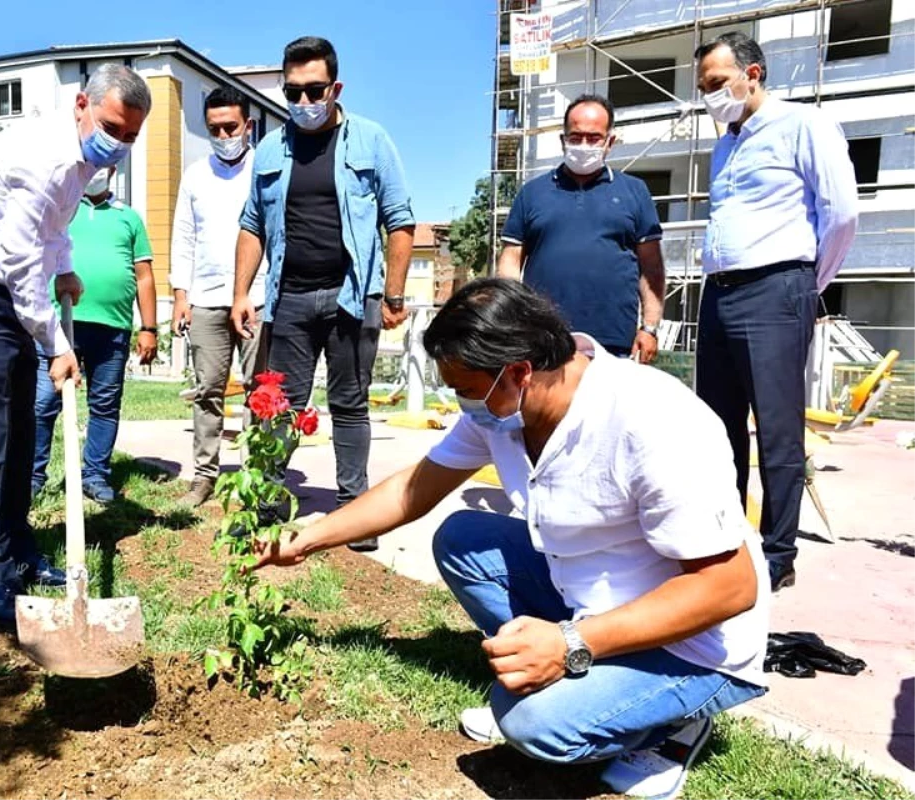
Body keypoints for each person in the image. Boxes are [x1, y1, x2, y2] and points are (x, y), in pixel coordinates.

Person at [256, 279, 769, 800]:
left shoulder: (652, 421)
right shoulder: (508, 410)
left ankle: (673, 728)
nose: (462, 403)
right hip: (594, 598)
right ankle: (581, 675)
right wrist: (309, 537)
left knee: (527, 723)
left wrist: (570, 644)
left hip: (696, 643)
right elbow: (414, 490)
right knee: (464, 540)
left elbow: (728, 589)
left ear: (520, 371)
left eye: (466, 388)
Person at [0, 64, 152, 631]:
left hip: (0, 298)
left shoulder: (79, 163)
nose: (117, 144)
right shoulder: (42, 158)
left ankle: (19, 550)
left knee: (20, 432)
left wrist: (66, 269)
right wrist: (56, 343)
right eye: (111, 127)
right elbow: (21, 262)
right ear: (81, 105)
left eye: (129, 137)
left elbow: (53, 231)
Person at [233, 36, 416, 551]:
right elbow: (252, 224)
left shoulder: (372, 140)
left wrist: (393, 294)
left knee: (350, 403)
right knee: (279, 406)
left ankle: (354, 511)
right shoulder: (270, 149)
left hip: (352, 296)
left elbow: (399, 220)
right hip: (288, 297)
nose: (305, 102)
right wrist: (240, 293)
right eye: (294, 92)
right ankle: (265, 507)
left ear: (335, 87)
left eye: (315, 90)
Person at [694, 32, 858, 592]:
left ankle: (777, 554)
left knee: (778, 428)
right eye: (703, 88)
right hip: (718, 291)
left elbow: (840, 214)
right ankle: (725, 540)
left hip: (777, 287)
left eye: (718, 83)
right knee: (717, 429)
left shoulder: (803, 126)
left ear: (753, 73)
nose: (711, 95)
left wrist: (808, 285)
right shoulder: (725, 145)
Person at [497, 94, 665, 362]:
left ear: (610, 141)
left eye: (594, 137)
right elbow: (510, 261)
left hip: (615, 344)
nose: (583, 145)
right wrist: (511, 319)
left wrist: (650, 327)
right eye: (575, 137)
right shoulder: (532, 193)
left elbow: (652, 267)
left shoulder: (635, 191)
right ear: (563, 140)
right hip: (543, 340)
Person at [32, 166, 158, 505]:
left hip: (112, 326)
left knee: (104, 404)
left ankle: (95, 474)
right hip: (59, 325)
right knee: (44, 401)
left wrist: (148, 327)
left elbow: (145, 276)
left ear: (114, 170)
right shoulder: (61, 211)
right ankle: (33, 476)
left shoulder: (128, 219)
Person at [170, 86, 267, 507]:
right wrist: (180, 294)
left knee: (259, 390)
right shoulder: (195, 175)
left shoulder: (266, 170)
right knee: (208, 388)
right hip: (207, 299)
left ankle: (257, 477)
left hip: (259, 297)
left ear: (248, 125)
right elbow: (183, 237)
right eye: (215, 128)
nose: (224, 135)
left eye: (231, 126)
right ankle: (205, 475)